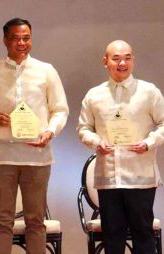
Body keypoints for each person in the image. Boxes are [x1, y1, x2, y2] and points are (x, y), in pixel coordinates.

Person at [0, 18, 68, 254]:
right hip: (2, 155)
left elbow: (60, 109)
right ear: (5, 40)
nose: (21, 43)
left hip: (37, 155)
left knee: (35, 219)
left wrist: (49, 132)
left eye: (26, 38)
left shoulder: (46, 70)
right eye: (15, 38)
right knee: (2, 220)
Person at [78, 40, 164, 254]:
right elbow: (83, 128)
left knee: (143, 235)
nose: (122, 63)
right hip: (109, 178)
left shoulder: (148, 91)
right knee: (112, 237)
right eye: (116, 58)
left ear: (132, 60)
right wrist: (97, 142)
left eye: (127, 57)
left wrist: (148, 143)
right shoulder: (94, 95)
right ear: (105, 61)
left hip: (140, 177)